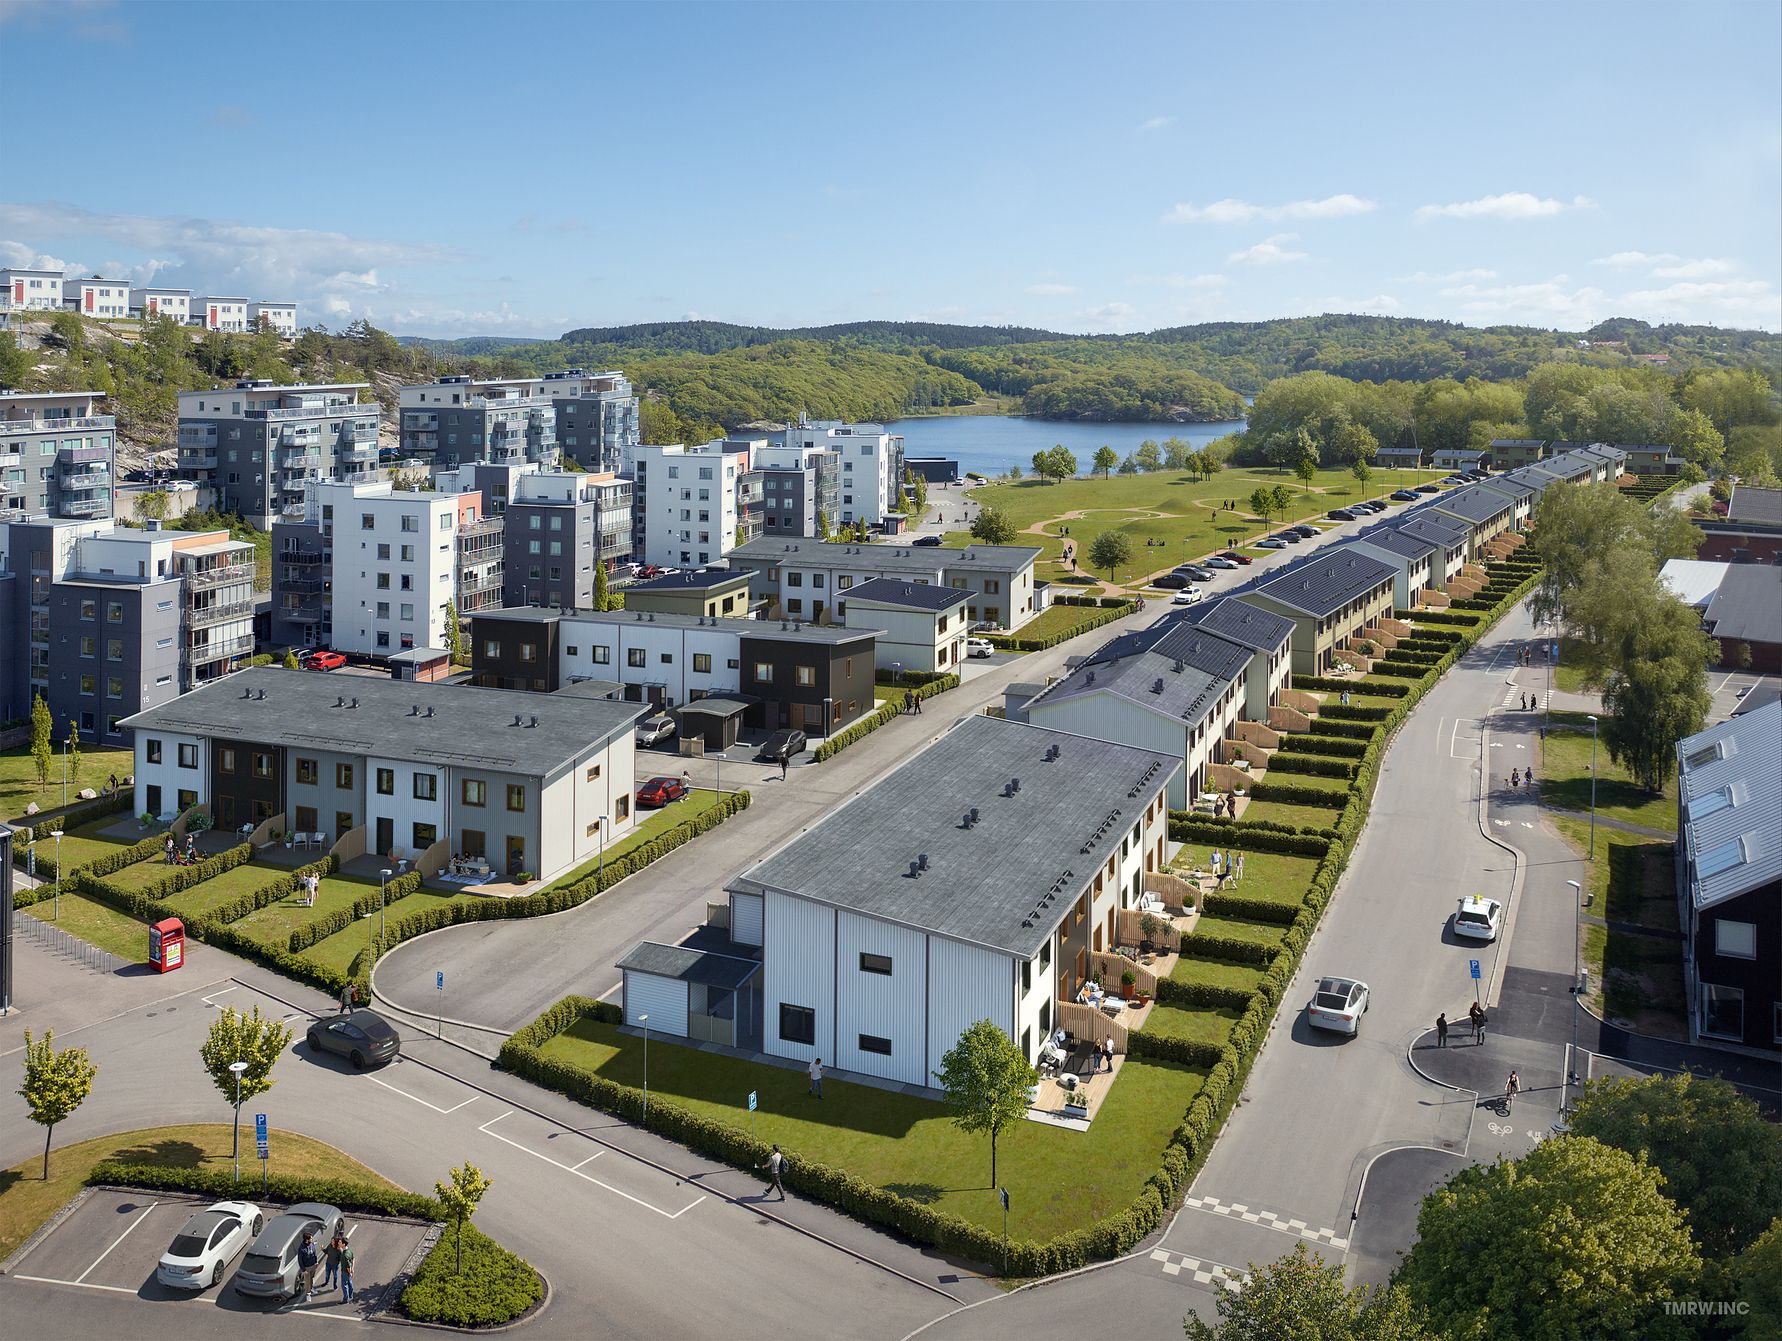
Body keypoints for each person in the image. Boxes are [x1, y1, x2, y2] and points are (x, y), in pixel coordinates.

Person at [297, 1229, 319, 1300]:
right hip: (307, 1268)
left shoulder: (311, 1244)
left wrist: (316, 1262)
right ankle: (308, 1294)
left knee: (311, 1278)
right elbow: (300, 1260)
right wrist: (304, 1270)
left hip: (313, 1265)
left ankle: (311, 1288)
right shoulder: (301, 1249)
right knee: (307, 1281)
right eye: (311, 1238)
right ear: (307, 1240)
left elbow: (314, 1253)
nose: (312, 1239)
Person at [338, 1237, 355, 1303]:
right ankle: (351, 1296)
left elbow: (347, 1266)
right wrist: (352, 1269)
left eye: (340, 1242)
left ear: (343, 1244)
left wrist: (350, 1272)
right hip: (349, 1271)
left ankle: (346, 1299)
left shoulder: (344, 1256)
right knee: (350, 1283)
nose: (338, 1243)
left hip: (345, 1271)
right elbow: (353, 1259)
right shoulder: (349, 1250)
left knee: (344, 1285)